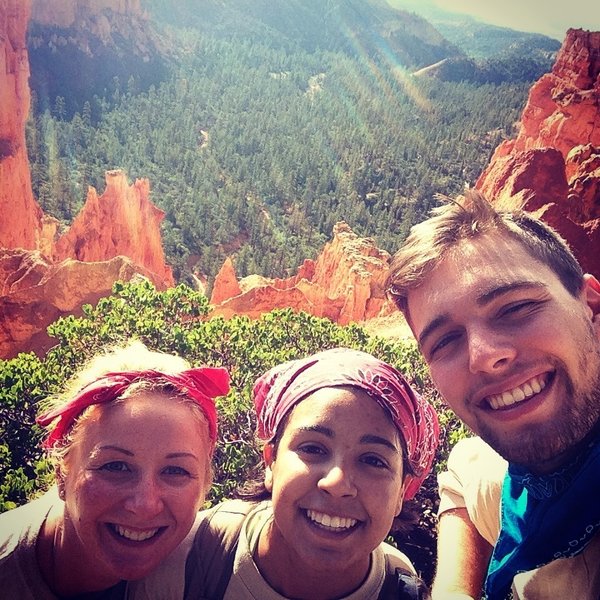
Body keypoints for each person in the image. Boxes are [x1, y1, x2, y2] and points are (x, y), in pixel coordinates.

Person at [385, 189, 600, 599]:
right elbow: (466, 471)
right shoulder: (512, 484)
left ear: (590, 304)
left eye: (514, 308)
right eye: (445, 341)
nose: (484, 356)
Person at [135, 347, 439, 599]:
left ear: (403, 490)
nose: (336, 483)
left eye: (373, 461)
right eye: (313, 448)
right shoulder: (193, 556)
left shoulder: (398, 586)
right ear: (271, 460)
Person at [0, 340, 230, 599]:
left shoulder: (211, 561)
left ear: (204, 486)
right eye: (116, 466)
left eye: (175, 471)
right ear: (62, 473)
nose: (144, 504)